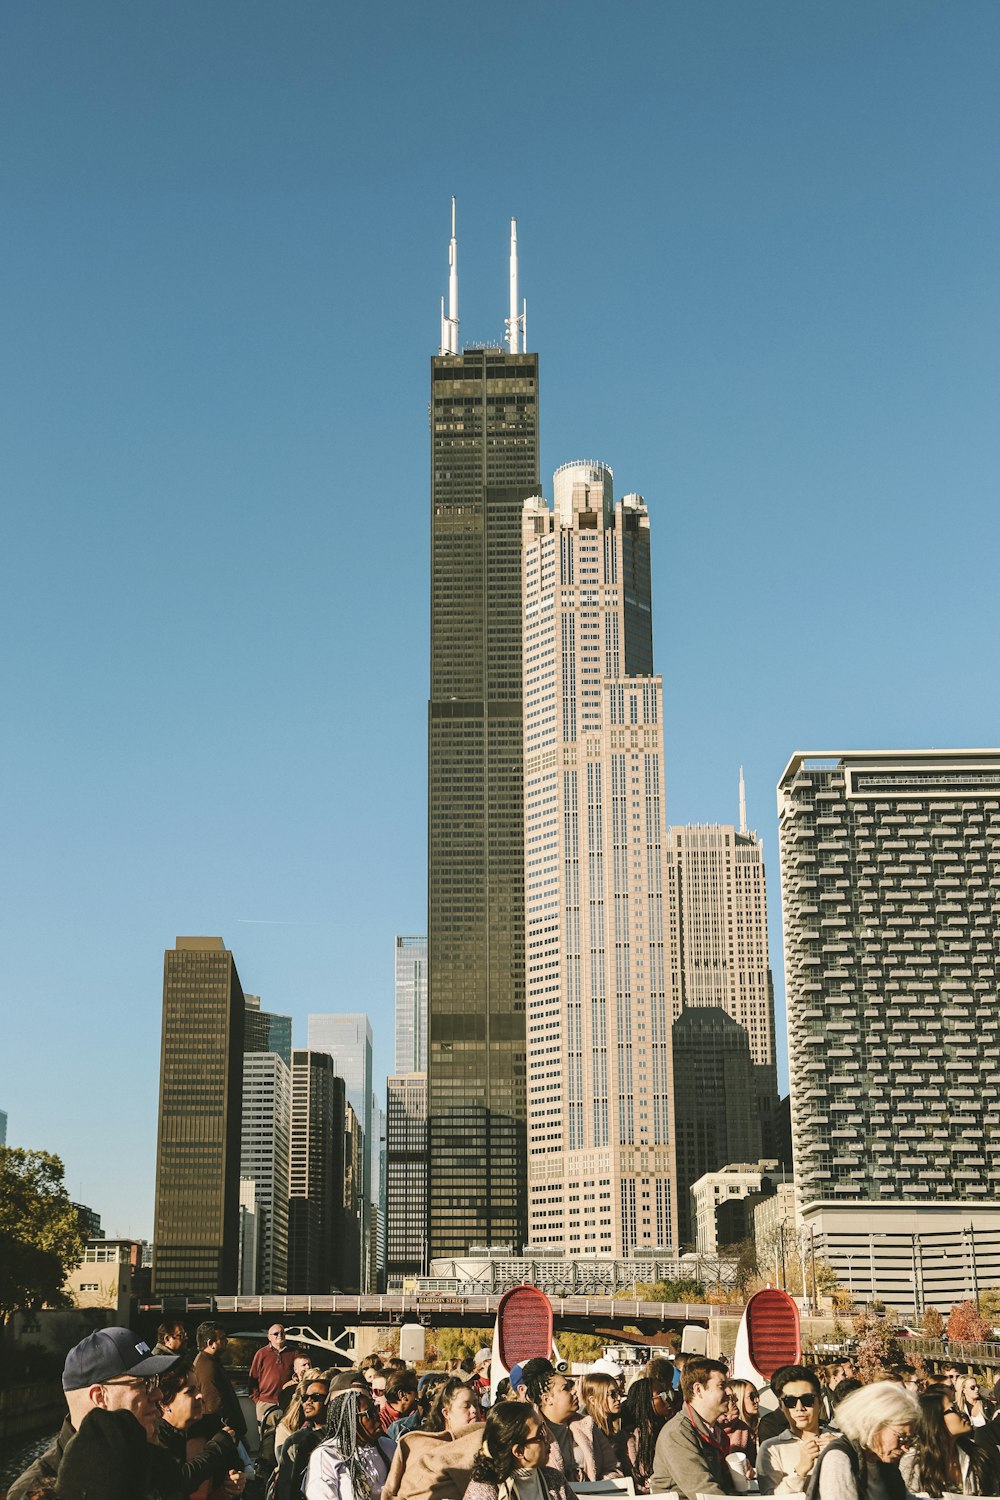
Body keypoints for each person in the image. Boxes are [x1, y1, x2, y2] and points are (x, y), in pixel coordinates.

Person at [7, 1326, 180, 1500]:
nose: (158, 1394)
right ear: (99, 1396)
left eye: (155, 1380)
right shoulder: (33, 1490)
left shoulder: (149, 1459)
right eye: (145, 1383)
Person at [807, 1381, 919, 1500]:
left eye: (909, 1439)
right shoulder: (839, 1459)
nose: (906, 1447)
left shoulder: (883, 1461)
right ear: (873, 1425)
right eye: (901, 1437)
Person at [156, 1362, 246, 1497]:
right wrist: (216, 1448)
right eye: (190, 1391)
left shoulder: (213, 1427)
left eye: (198, 1389)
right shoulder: (154, 1438)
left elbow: (234, 1466)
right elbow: (175, 1483)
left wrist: (234, 1482)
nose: (200, 1396)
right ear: (165, 1403)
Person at [650, 1356, 734, 1500]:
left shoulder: (715, 1431)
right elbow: (704, 1492)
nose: (730, 1391)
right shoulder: (678, 1433)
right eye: (722, 1385)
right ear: (698, 1390)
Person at [462, 1400, 573, 1500]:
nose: (548, 1438)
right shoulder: (484, 1490)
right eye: (540, 1434)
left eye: (544, 1428)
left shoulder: (553, 1478)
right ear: (519, 1451)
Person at [306, 1387, 394, 1500]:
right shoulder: (327, 1455)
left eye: (376, 1410)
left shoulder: (389, 1447)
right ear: (351, 1420)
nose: (377, 1416)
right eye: (369, 1413)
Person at [758, 1366, 833, 1494]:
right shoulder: (771, 1448)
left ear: (819, 1402)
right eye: (790, 1401)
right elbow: (769, 1497)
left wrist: (844, 1453)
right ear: (781, 1406)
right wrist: (800, 1471)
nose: (799, 1407)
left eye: (807, 1400)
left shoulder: (840, 1440)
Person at [273, 1375, 332, 1500]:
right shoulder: (295, 1442)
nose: (308, 1402)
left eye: (315, 1397)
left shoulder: (343, 1436)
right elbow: (286, 1488)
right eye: (305, 1398)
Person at [521, 1367, 579, 1482]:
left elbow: (612, 1467)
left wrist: (599, 1487)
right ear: (547, 1399)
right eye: (565, 1388)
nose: (574, 1391)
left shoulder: (586, 1425)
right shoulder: (532, 1433)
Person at [193, 1323, 247, 1445]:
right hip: (224, 1435)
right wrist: (229, 1433)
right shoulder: (207, 1368)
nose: (226, 1341)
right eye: (222, 1338)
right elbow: (214, 1406)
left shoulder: (211, 1362)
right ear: (210, 1343)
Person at [618, 1376, 670, 1493]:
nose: (668, 1399)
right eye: (662, 1395)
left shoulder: (669, 1430)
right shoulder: (629, 1438)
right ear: (646, 1402)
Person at [574, 1371, 624, 1482]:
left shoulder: (618, 1422)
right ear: (593, 1400)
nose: (619, 1398)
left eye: (619, 1392)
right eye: (612, 1394)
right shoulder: (585, 1430)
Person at [249, 1324, 299, 1421]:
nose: (280, 1335)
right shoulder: (261, 1354)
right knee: (267, 1434)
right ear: (269, 1337)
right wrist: (258, 1401)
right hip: (266, 1404)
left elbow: (300, 1373)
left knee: (287, 1434)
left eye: (282, 1333)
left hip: (288, 1403)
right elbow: (252, 1378)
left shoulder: (294, 1353)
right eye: (276, 1333)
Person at [720, 1381, 760, 1468]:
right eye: (752, 1396)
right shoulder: (715, 1428)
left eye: (757, 1395)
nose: (757, 1400)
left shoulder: (758, 1428)